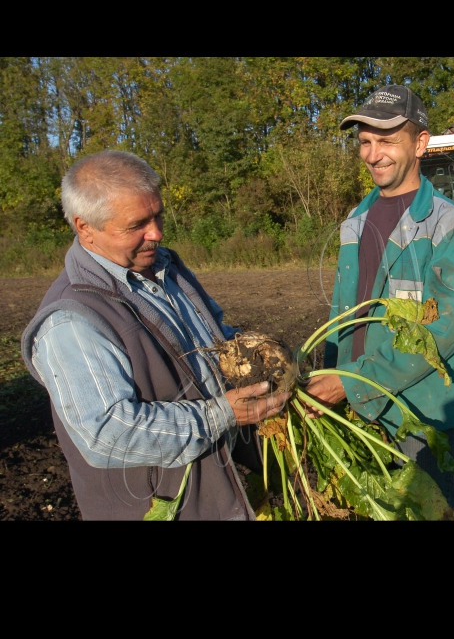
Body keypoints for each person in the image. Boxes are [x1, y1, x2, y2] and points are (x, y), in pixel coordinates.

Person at [21, 151, 286, 520]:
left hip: (213, 489)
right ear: (85, 228)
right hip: (156, 506)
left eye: (158, 215)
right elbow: (107, 432)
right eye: (136, 225)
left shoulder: (165, 267)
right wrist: (221, 415)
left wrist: (258, 355)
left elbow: (213, 336)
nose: (157, 233)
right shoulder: (71, 322)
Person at [306, 85, 454, 508]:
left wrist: (351, 384)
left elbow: (442, 332)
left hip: (420, 418)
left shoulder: (451, 226)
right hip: (356, 410)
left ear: (420, 143)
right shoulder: (355, 219)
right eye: (365, 142)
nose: (373, 154)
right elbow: (342, 312)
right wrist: (328, 378)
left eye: (386, 140)